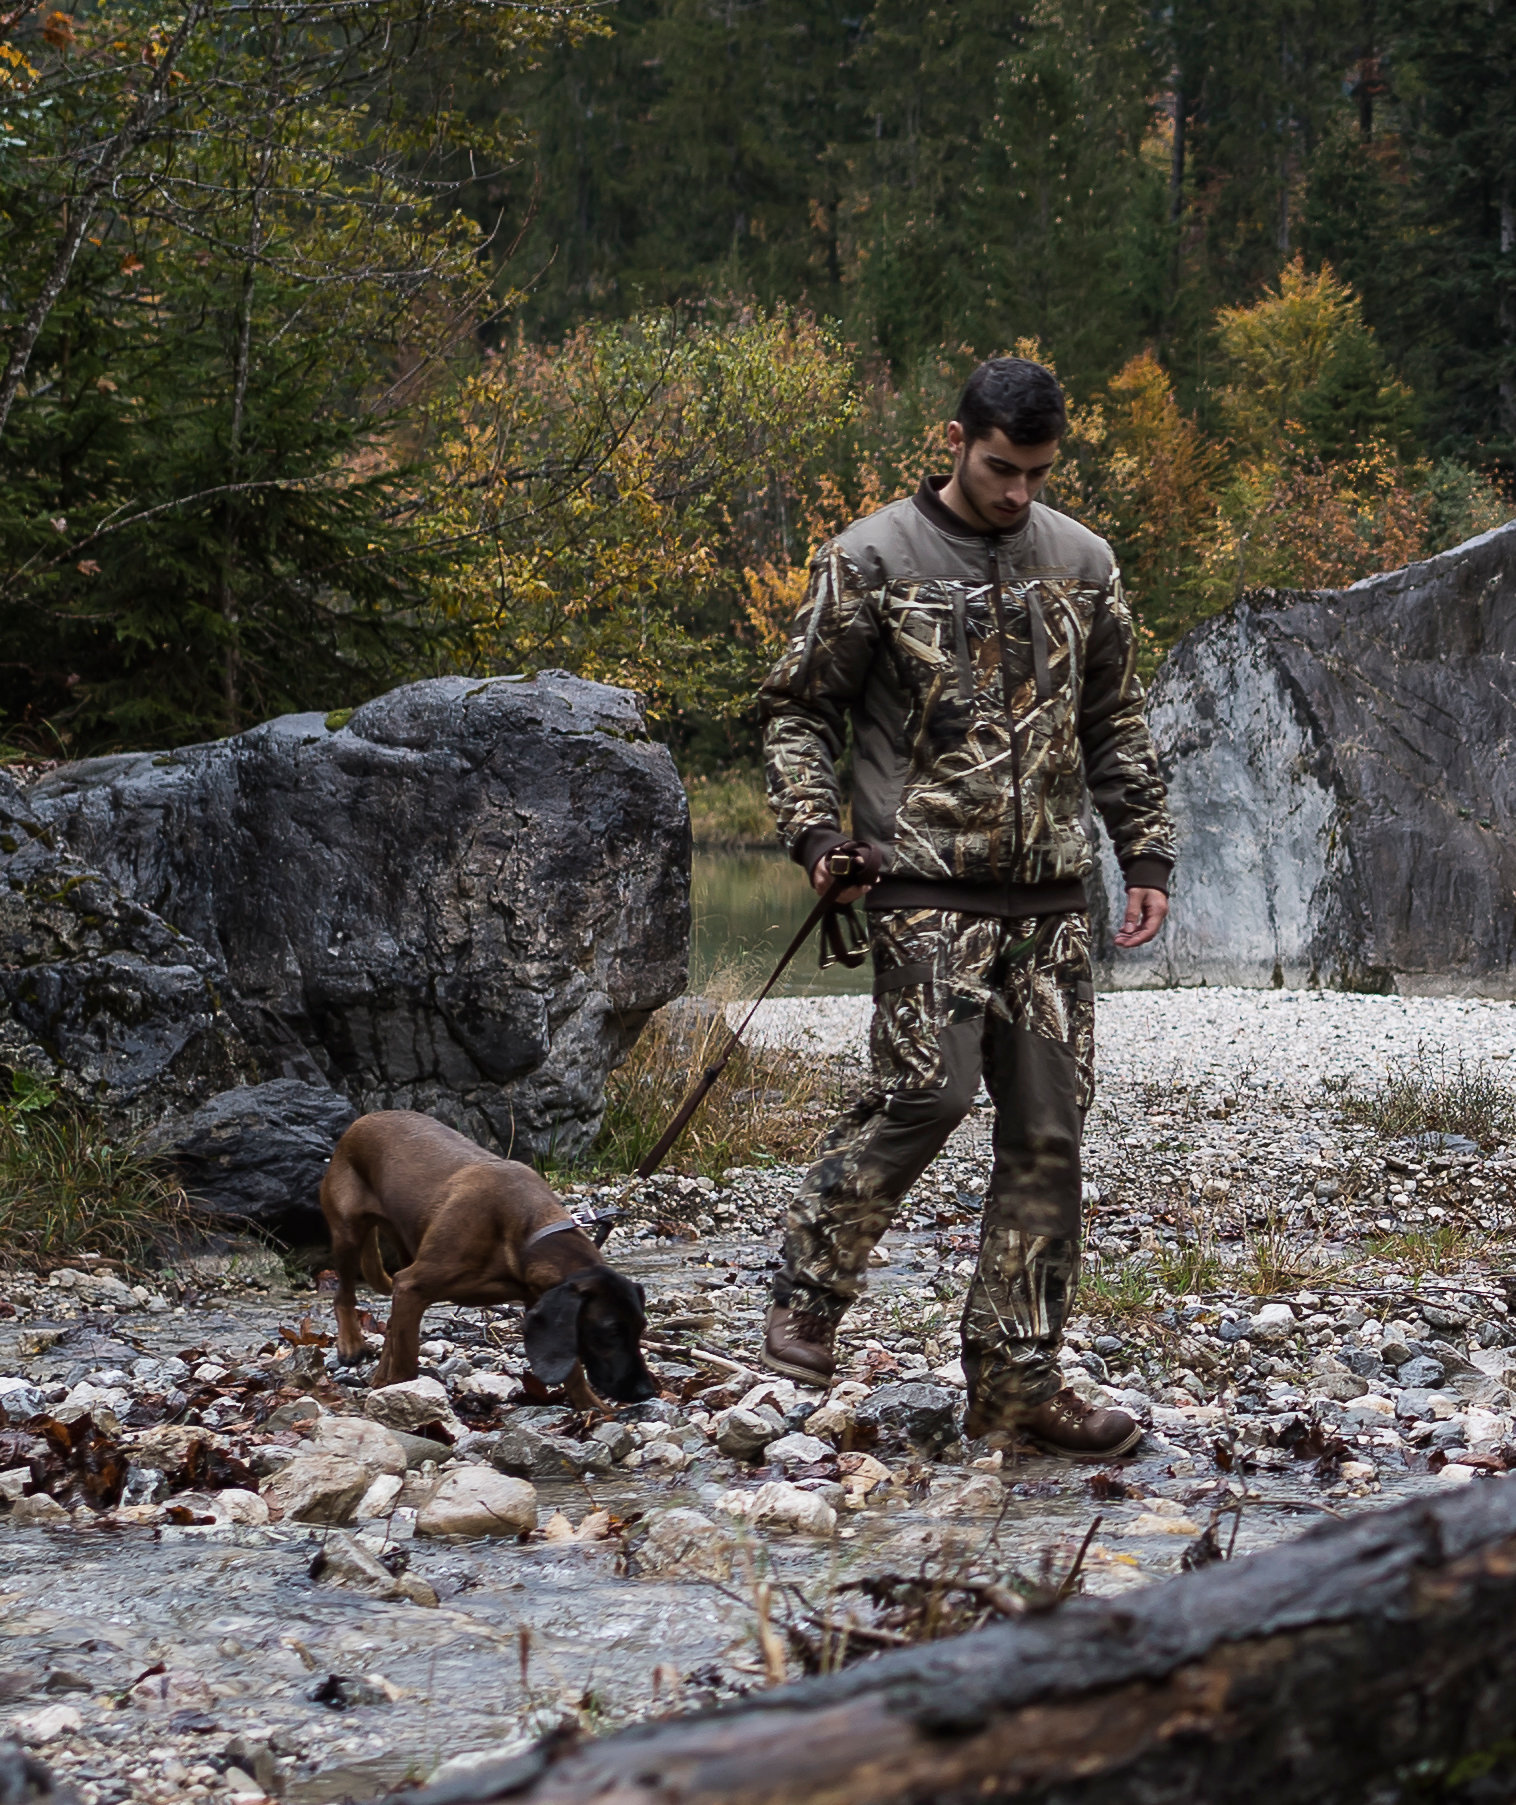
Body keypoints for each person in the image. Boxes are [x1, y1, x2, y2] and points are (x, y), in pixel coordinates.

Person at [756, 355, 1175, 1460]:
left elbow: (1117, 722)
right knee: (925, 1094)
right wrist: (813, 835)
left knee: (1048, 1137)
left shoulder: (1083, 563)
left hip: (1049, 899)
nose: (1016, 494)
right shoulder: (869, 558)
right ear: (955, 441)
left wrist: (1145, 855)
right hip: (920, 885)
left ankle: (1017, 1382)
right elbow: (799, 714)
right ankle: (807, 1290)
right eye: (999, 468)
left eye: (1036, 473)